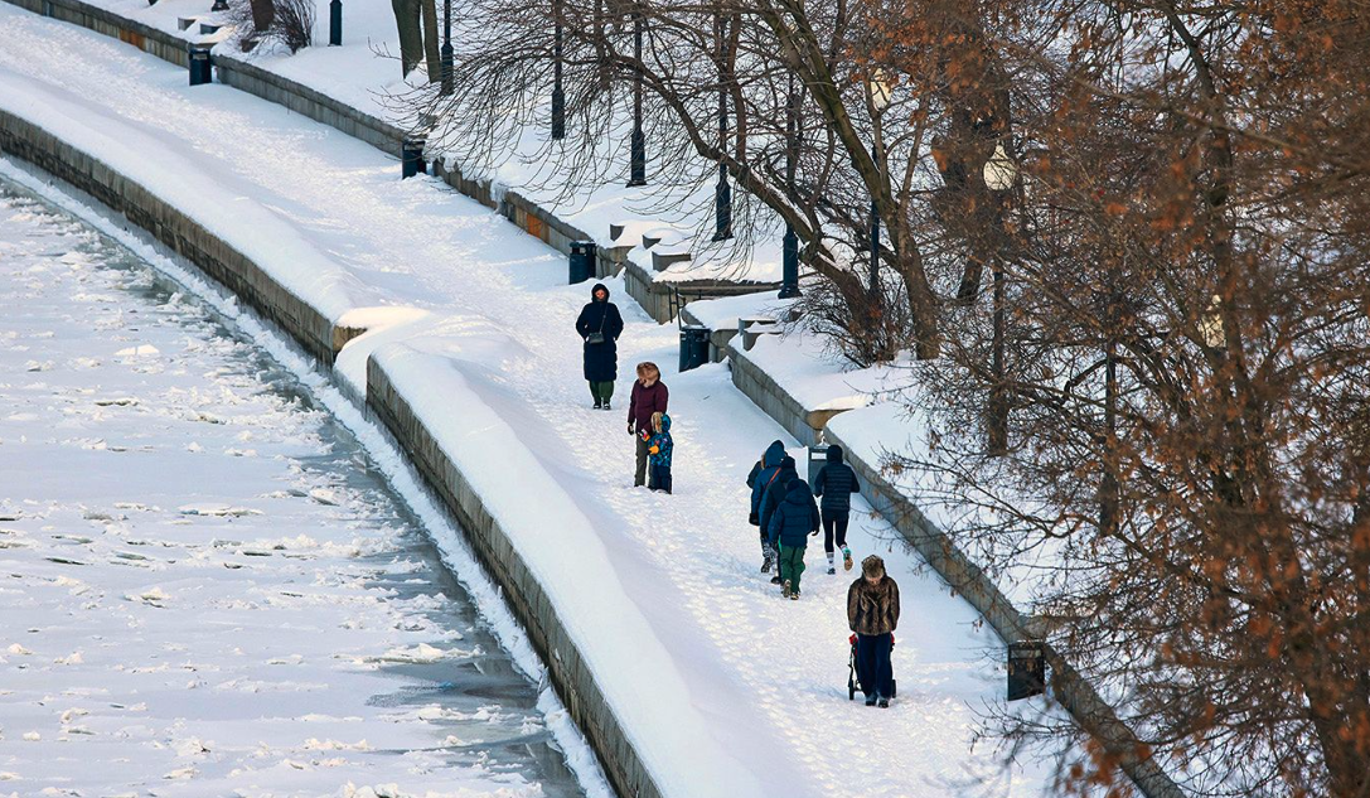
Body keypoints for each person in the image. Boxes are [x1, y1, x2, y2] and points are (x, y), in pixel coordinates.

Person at [847, 555, 900, 707]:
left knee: (883, 661)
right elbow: (852, 608)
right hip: (864, 630)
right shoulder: (857, 587)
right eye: (872, 579)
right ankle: (869, 692)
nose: (875, 581)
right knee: (865, 661)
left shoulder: (890, 585)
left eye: (877, 578)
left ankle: (884, 693)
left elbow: (894, 606)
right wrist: (855, 625)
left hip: (884, 630)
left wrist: (891, 622)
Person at [766, 477, 820, 600]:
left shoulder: (783, 506)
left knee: (785, 561)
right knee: (797, 563)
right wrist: (803, 532)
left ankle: (787, 579)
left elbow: (777, 524)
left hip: (785, 541)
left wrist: (774, 538)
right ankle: (795, 590)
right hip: (800, 541)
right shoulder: (806, 507)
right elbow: (809, 525)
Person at [575, 283, 625, 410]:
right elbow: (580, 324)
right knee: (593, 372)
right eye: (598, 294)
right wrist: (586, 336)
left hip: (607, 345)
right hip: (592, 346)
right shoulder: (588, 308)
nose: (600, 296)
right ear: (594, 294)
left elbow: (619, 324)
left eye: (602, 294)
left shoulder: (611, 308)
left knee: (608, 372)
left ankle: (606, 399)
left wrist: (613, 336)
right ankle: (596, 400)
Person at [812, 444, 860, 575]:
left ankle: (831, 565)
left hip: (827, 508)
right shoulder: (848, 470)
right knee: (839, 539)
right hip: (843, 509)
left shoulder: (825, 469)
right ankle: (845, 550)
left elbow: (817, 485)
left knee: (828, 536)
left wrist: (819, 493)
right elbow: (856, 488)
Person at [758, 455, 799, 583]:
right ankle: (794, 580)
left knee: (781, 548)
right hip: (798, 522)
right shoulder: (800, 485)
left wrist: (763, 527)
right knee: (797, 550)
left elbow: (768, 509)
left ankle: (783, 577)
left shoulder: (775, 487)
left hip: (780, 521)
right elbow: (810, 505)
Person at [627, 363, 668, 487]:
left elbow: (659, 413)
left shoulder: (660, 389)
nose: (639, 381)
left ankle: (653, 483)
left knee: (653, 456)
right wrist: (630, 421)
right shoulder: (637, 386)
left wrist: (647, 428)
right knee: (640, 456)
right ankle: (638, 483)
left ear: (650, 379)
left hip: (654, 431)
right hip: (640, 429)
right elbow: (633, 403)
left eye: (642, 379)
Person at [748, 441, 786, 572]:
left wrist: (754, 512)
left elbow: (756, 495)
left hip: (764, 508)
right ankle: (778, 556)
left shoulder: (762, 474)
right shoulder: (785, 472)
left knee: (764, 532)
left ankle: (767, 554)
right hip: (781, 507)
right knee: (779, 532)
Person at [644, 411, 673, 493]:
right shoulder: (656, 435)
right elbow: (653, 442)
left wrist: (651, 450)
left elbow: (660, 447)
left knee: (664, 475)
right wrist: (647, 438)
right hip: (655, 460)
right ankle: (656, 488)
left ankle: (665, 489)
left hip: (663, 461)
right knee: (655, 475)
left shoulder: (665, 436)